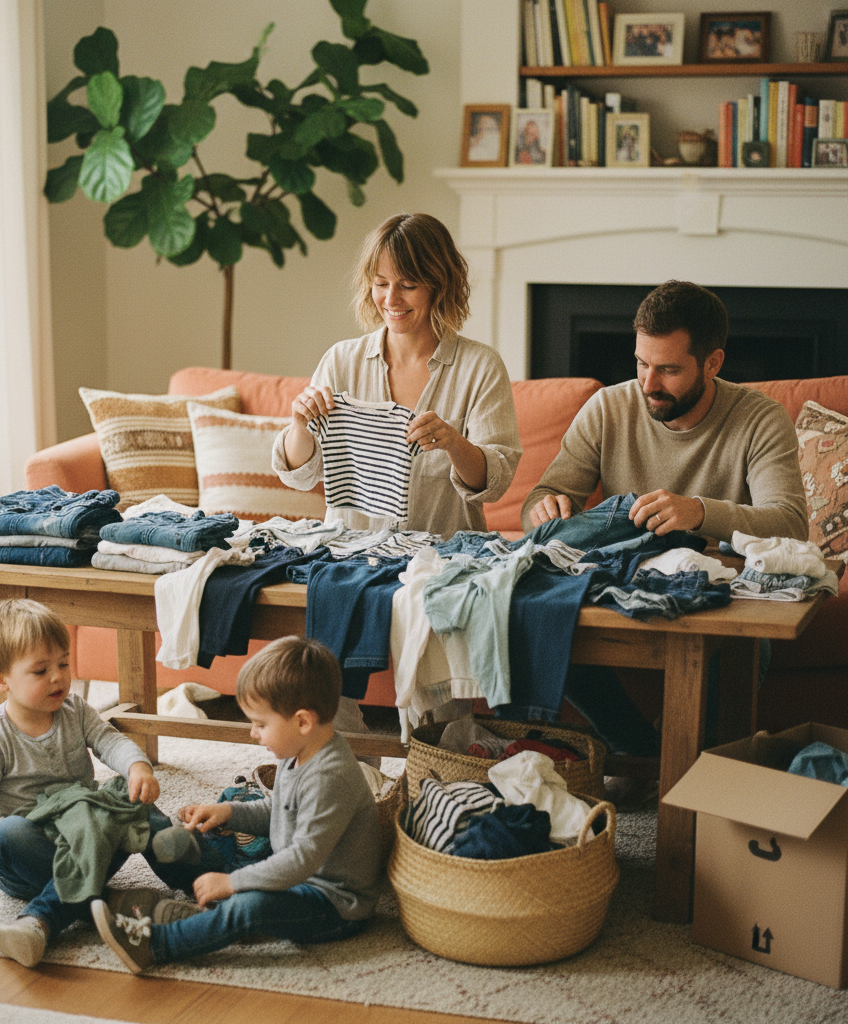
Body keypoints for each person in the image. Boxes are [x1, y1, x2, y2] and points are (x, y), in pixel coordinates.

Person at [521, 280, 808, 791]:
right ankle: (644, 751)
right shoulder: (609, 408)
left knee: (749, 644)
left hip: (718, 589)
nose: (649, 382)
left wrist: (699, 512)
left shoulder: (760, 419)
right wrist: (544, 505)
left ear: (713, 362)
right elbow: (540, 504)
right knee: (538, 613)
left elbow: (789, 523)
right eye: (641, 363)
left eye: (669, 369)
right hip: (623, 579)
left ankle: (694, 768)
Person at [272, 211, 522, 735]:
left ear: (439, 286)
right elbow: (298, 473)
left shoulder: (479, 366)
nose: (391, 299)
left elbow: (495, 478)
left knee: (442, 730)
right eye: (381, 284)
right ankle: (343, 767)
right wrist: (299, 421)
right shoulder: (342, 360)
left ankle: (442, 764)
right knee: (329, 708)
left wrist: (454, 442)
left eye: (408, 285)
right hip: (352, 557)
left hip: (443, 559)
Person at [90, 636, 382, 973]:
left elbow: (301, 859)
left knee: (248, 905)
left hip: (332, 904)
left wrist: (233, 884)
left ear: (303, 722)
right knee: (181, 840)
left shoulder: (332, 776)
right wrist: (228, 813)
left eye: (260, 724)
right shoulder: (298, 752)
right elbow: (280, 811)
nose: (253, 734)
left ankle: (158, 944)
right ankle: (201, 916)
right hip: (286, 874)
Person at [0, 598, 172, 968]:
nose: (58, 676)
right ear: (0, 680)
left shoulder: (75, 711)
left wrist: (137, 766)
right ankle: (70, 911)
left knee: (135, 805)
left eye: (63, 663)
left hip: (85, 832)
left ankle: (199, 877)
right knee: (8, 834)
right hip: (35, 854)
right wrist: (13, 828)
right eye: (41, 671)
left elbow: (109, 741)